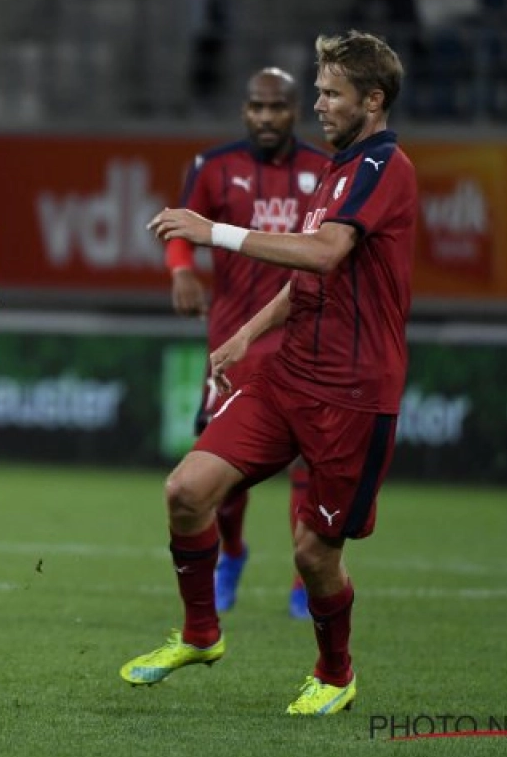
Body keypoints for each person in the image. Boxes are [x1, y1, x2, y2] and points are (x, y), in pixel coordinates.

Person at [124, 31, 417, 716]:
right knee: (187, 491)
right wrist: (246, 334)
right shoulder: (339, 170)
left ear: (372, 101)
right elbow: (310, 277)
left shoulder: (383, 166)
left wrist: (213, 233)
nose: (317, 105)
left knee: (315, 557)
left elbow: (323, 254)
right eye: (316, 91)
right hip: (286, 375)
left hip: (351, 394)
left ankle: (336, 673)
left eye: (330, 93)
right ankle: (201, 633)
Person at [166, 67, 330, 620]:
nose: (265, 117)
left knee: (311, 467)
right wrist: (181, 270)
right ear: (244, 111)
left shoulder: (324, 171)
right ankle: (231, 554)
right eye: (256, 107)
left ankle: (304, 581)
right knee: (223, 475)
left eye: (277, 107)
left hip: (303, 347)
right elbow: (180, 232)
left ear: (295, 112)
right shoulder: (213, 168)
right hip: (233, 347)